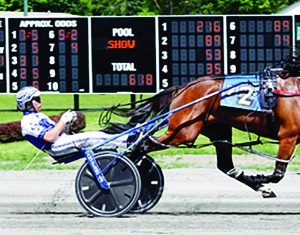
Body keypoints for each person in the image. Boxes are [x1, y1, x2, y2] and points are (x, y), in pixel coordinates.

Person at [16, 86, 128, 157]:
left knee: (98, 135)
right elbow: (50, 137)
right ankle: (128, 141)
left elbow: (60, 132)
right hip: (56, 147)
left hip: (61, 141)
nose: (41, 101)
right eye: (38, 99)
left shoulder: (39, 116)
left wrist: (68, 122)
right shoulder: (27, 122)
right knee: (93, 136)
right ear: (27, 103)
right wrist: (62, 120)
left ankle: (124, 144)